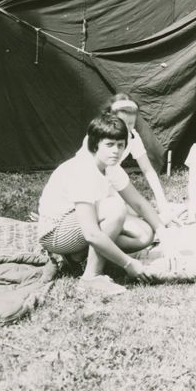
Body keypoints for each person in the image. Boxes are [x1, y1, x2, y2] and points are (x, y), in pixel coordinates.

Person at [37, 113, 164, 297]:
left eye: (120, 145)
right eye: (109, 145)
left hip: (76, 226)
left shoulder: (110, 167)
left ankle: (77, 257)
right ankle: (90, 277)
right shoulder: (83, 169)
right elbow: (90, 232)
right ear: (95, 145)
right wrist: (129, 264)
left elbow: (138, 202)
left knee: (144, 234)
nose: (116, 151)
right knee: (115, 208)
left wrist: (165, 234)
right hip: (55, 233)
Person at [84, 93, 175, 224]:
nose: (126, 129)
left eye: (131, 123)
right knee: (129, 214)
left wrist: (162, 202)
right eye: (122, 122)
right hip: (90, 184)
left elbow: (148, 169)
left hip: (112, 179)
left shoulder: (133, 137)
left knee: (140, 212)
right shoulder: (97, 136)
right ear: (110, 118)